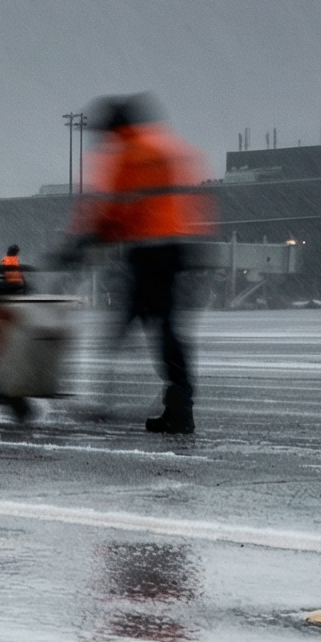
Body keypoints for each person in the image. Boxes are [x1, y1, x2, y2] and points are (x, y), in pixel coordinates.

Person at [62, 93, 214, 434]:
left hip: (149, 253)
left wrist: (79, 243)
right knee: (163, 330)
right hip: (176, 249)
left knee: (136, 329)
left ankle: (161, 406)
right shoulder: (168, 147)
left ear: (117, 127)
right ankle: (177, 404)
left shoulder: (131, 154)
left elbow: (111, 211)